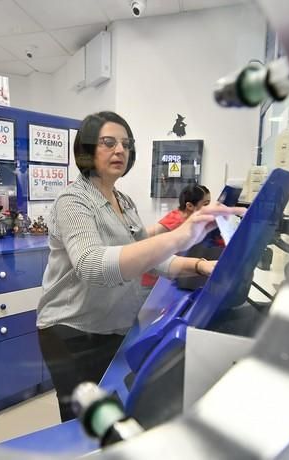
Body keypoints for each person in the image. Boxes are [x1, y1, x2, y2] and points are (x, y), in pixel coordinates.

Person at [36, 111, 245, 421]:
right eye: (108, 142)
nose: (120, 150)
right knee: (85, 424)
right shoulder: (73, 201)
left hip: (112, 327)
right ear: (88, 149)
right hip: (73, 331)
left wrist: (202, 266)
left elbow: (154, 258)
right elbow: (92, 266)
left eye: (125, 143)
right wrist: (179, 236)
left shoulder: (125, 202)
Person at [141, 183, 211, 287]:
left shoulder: (187, 219)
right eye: (205, 204)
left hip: (166, 275)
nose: (209, 208)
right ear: (190, 206)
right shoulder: (176, 221)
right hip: (153, 280)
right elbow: (143, 238)